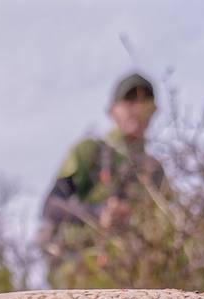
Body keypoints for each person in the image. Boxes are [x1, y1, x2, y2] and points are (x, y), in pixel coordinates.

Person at [39, 73, 167, 287]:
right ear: (112, 111)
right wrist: (99, 214)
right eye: (129, 101)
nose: (137, 108)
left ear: (154, 111)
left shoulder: (154, 171)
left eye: (145, 101)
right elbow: (51, 206)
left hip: (136, 274)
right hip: (79, 268)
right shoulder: (90, 151)